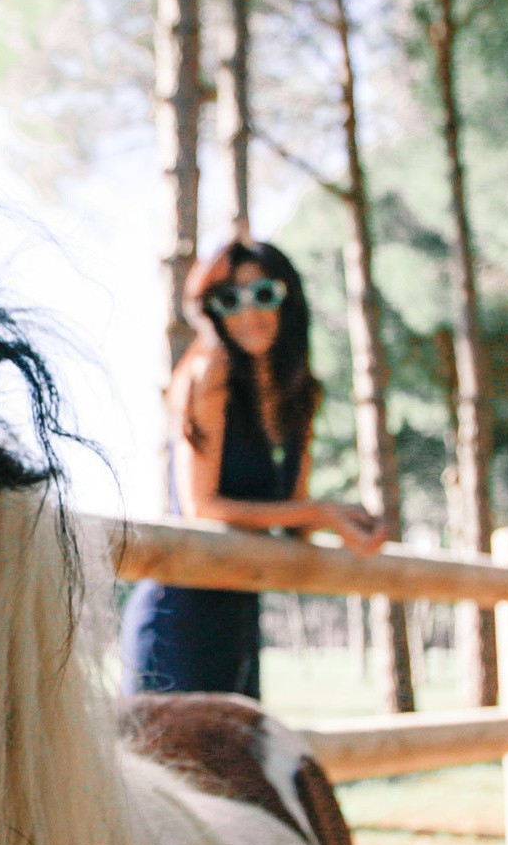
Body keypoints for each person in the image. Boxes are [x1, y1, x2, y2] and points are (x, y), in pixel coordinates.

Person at [121, 240, 385, 699]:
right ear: (213, 312)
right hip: (180, 614)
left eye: (263, 294)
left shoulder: (299, 392)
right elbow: (202, 508)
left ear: (288, 298)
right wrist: (320, 512)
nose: (248, 313)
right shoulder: (210, 370)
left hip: (241, 608)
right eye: (228, 300)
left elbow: (293, 516)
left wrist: (347, 521)